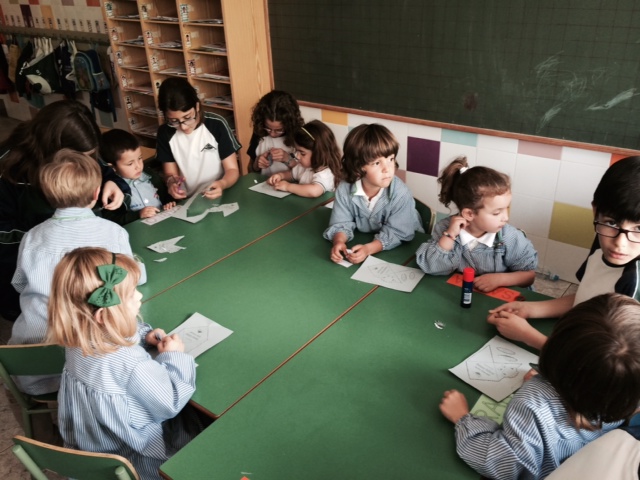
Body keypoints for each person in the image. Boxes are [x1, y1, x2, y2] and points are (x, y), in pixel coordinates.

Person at [440, 293, 640, 480]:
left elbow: (501, 464)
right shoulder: (629, 395)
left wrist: (463, 418)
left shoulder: (531, 405)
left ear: (555, 347)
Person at [47, 247, 205, 480]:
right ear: (104, 315)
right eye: (132, 293)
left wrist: (142, 335)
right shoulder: (130, 362)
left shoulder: (76, 338)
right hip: (133, 455)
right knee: (198, 424)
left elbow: (109, 335)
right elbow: (170, 401)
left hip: (93, 444)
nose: (139, 296)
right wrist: (174, 356)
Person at [9, 149, 134, 395]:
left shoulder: (32, 237)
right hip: (95, 368)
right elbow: (129, 280)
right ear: (96, 193)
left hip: (35, 369)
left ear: (48, 195)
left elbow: (20, 284)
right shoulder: (113, 232)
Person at [487, 155, 640, 350]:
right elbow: (586, 298)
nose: (620, 243)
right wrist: (529, 308)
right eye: (612, 223)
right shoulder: (601, 245)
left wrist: (528, 336)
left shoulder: (634, 282)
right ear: (596, 211)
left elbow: (606, 360)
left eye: (638, 229)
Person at [0, 100, 125, 321]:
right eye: (81, 158)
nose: (88, 163)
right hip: (36, 286)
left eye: (91, 157)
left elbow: (104, 173)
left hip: (82, 277)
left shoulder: (80, 152)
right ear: (55, 154)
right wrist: (44, 238)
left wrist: (114, 183)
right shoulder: (8, 170)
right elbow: (5, 239)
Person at [415, 156, 537, 292]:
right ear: (469, 214)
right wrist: (449, 236)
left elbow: (529, 276)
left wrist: (499, 279)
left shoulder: (510, 237)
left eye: (506, 209)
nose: (506, 218)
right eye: (497, 213)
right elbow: (432, 267)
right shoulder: (445, 229)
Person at [323, 123, 423, 264]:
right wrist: (339, 241)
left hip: (405, 250)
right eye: (377, 163)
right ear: (357, 167)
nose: (387, 169)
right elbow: (341, 222)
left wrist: (368, 249)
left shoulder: (401, 193)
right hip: (369, 241)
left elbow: (398, 232)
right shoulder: (345, 188)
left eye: (391, 159)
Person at [156, 77, 241, 201]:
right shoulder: (165, 132)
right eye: (174, 121)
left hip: (220, 195)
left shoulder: (216, 125)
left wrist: (222, 184)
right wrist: (171, 183)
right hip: (187, 200)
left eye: (187, 117)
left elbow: (232, 170)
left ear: (197, 106)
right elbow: (170, 174)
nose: (183, 127)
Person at [100, 129, 176, 225]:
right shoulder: (112, 190)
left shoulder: (150, 175)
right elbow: (111, 220)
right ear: (112, 167)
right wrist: (137, 215)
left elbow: (165, 196)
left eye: (140, 158)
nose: (138, 166)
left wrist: (169, 203)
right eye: (130, 163)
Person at [266, 120, 342, 197]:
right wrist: (280, 176)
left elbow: (314, 191)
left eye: (302, 153)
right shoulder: (304, 166)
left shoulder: (326, 173)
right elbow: (292, 175)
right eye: (296, 151)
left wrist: (287, 187)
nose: (297, 156)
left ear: (318, 153)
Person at [247, 90, 304, 176]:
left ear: (289, 125)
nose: (272, 134)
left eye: (279, 130)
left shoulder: (300, 136)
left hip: (290, 184)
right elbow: (250, 170)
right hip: (264, 183)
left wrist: (288, 160)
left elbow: (307, 174)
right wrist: (257, 164)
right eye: (268, 128)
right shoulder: (260, 131)